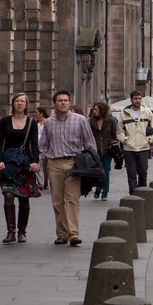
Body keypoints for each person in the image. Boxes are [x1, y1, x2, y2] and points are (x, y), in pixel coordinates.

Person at [40, 90, 95, 246]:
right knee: (57, 201)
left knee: (72, 199)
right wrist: (38, 163)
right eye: (60, 100)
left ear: (69, 103)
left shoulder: (80, 120)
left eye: (65, 100)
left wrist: (90, 162)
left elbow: (90, 143)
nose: (63, 103)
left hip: (73, 163)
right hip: (54, 163)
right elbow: (43, 145)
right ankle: (62, 234)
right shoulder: (49, 122)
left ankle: (74, 234)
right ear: (55, 103)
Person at [0, 93, 40, 244]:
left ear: (26, 104)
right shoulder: (5, 121)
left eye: (22, 101)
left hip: (25, 164)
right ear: (13, 104)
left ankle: (22, 232)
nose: (19, 104)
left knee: (24, 198)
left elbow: (34, 144)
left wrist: (36, 162)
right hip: (8, 163)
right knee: (8, 195)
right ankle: (10, 232)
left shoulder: (32, 122)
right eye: (17, 101)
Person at [118, 90, 153, 193]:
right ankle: (133, 195)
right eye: (135, 98)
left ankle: (142, 193)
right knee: (131, 174)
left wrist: (150, 139)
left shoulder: (147, 112)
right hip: (129, 148)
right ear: (131, 99)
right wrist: (124, 140)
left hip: (143, 147)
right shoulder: (124, 113)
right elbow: (119, 130)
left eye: (139, 98)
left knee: (143, 172)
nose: (137, 101)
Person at [88, 102, 119, 200]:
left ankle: (105, 192)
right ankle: (98, 187)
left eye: (96, 109)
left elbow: (114, 136)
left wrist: (112, 146)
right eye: (94, 109)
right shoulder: (91, 121)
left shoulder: (110, 120)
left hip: (107, 150)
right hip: (95, 150)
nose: (94, 111)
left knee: (105, 171)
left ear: (102, 110)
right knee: (97, 171)